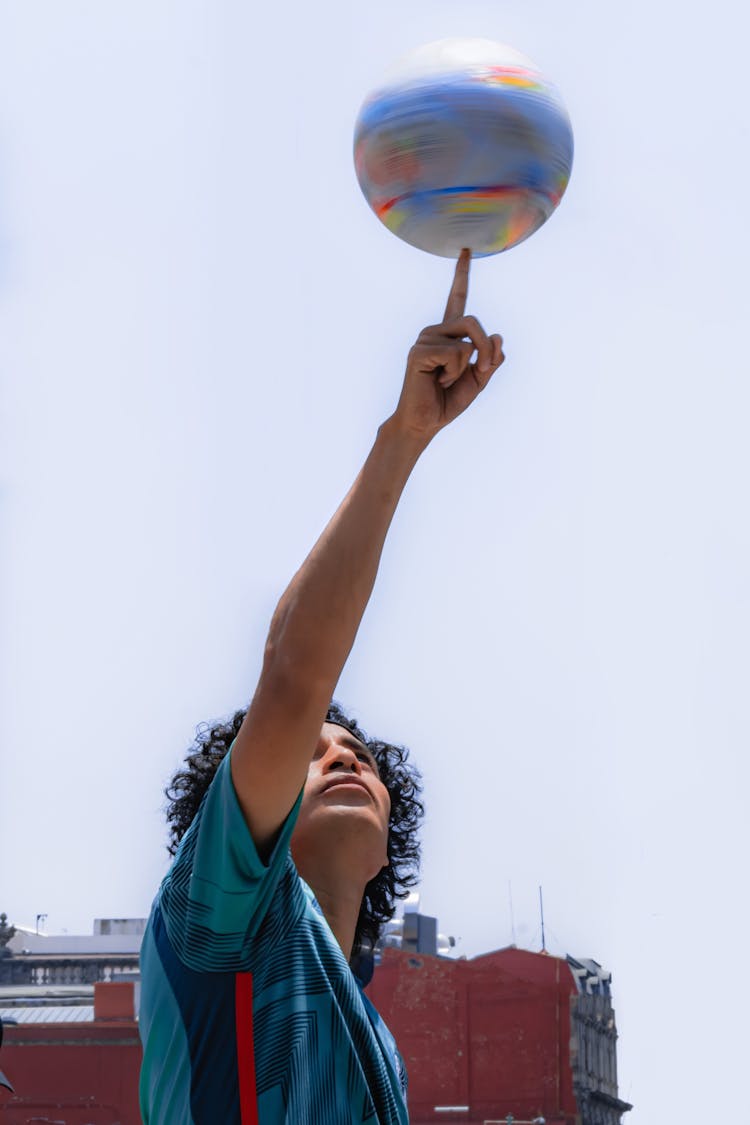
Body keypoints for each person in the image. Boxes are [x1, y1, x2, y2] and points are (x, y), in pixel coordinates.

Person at [138, 250, 505, 1124]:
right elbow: (296, 673)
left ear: (387, 847)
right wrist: (405, 437)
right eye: (308, 751)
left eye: (359, 756)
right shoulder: (220, 920)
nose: (338, 754)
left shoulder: (379, 1049)